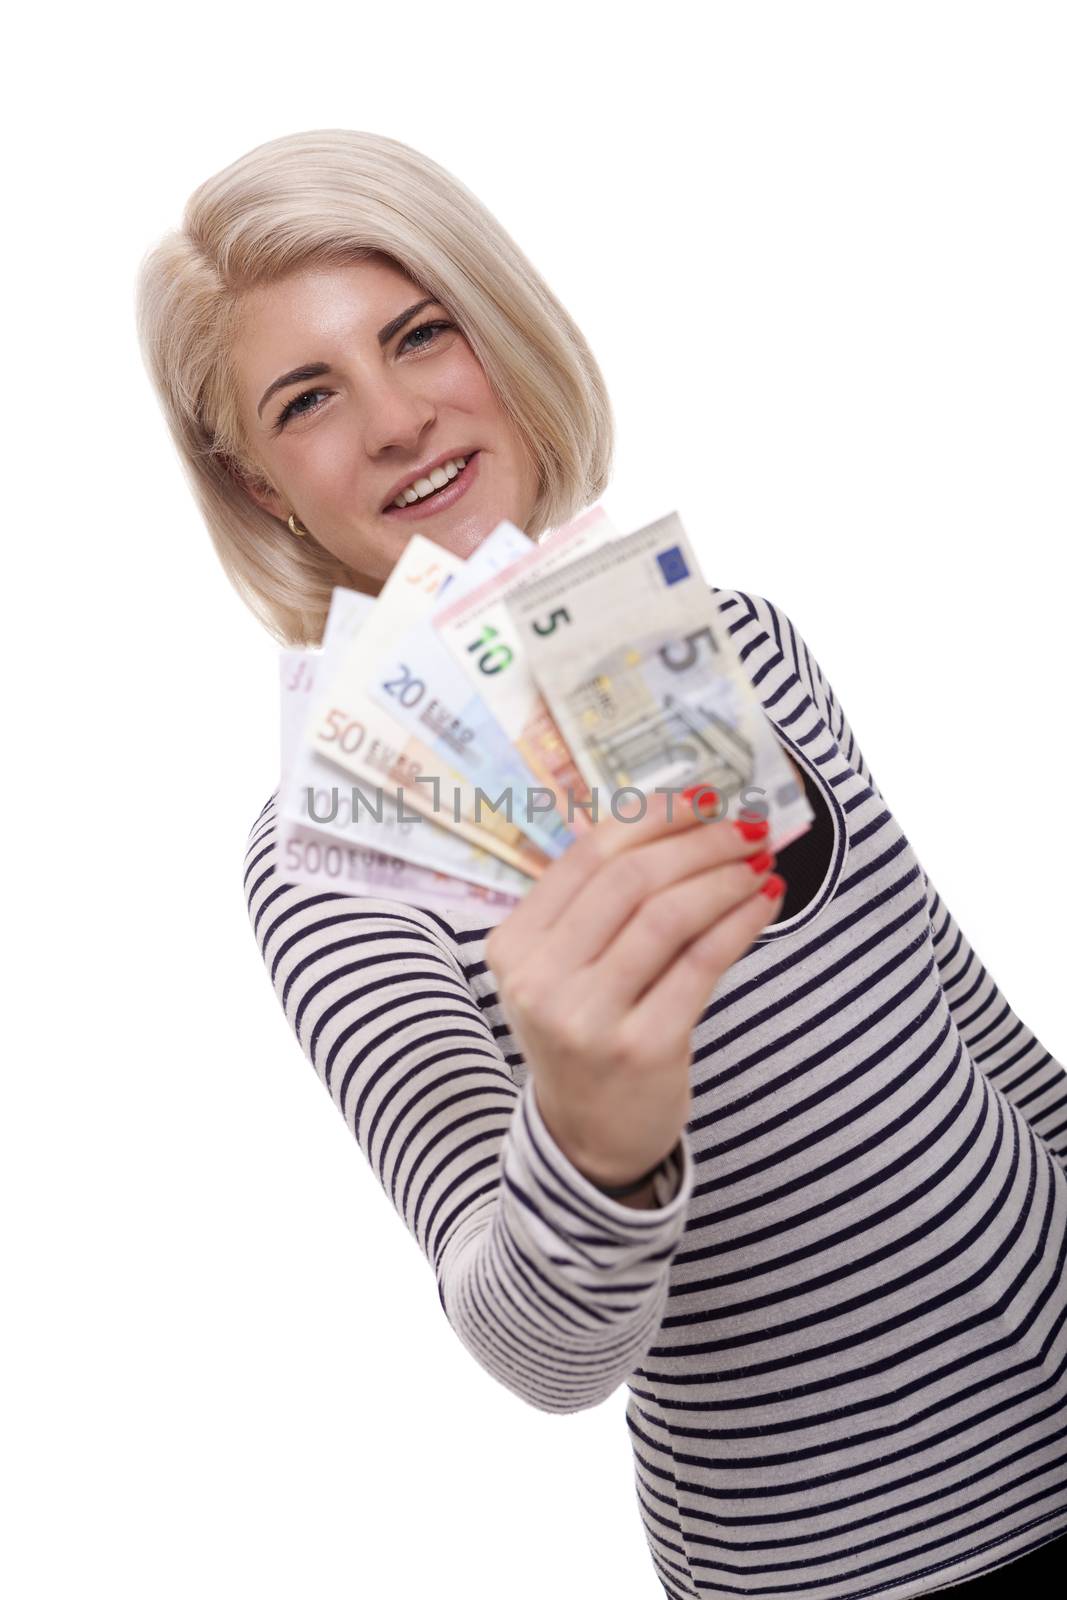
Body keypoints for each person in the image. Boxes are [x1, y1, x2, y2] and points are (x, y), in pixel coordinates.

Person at [136, 129, 1067, 1600]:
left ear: (496, 330)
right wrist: (592, 1137)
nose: (395, 419)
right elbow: (533, 1347)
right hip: (844, 1558)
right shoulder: (334, 859)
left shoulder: (734, 640)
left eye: (420, 331)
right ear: (261, 489)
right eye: (309, 399)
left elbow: (969, 1026)